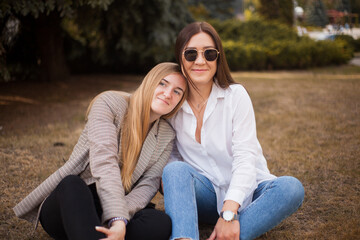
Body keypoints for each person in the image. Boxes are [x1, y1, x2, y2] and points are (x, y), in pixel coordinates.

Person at [161, 22, 305, 240]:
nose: (200, 61)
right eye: (191, 54)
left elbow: (245, 157)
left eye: (209, 54)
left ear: (218, 58)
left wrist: (229, 211)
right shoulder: (174, 103)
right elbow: (171, 156)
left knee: (291, 188)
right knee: (173, 170)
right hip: (206, 196)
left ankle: (228, 230)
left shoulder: (235, 96)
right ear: (180, 58)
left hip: (249, 193)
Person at [13, 62, 188, 240]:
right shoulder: (109, 103)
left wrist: (118, 218)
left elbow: (149, 184)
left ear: (180, 101)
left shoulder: (167, 134)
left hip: (114, 207)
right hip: (73, 202)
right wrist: (118, 217)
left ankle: (101, 234)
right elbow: (104, 161)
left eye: (177, 91)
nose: (168, 94)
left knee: (160, 222)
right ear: (150, 82)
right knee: (71, 184)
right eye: (163, 83)